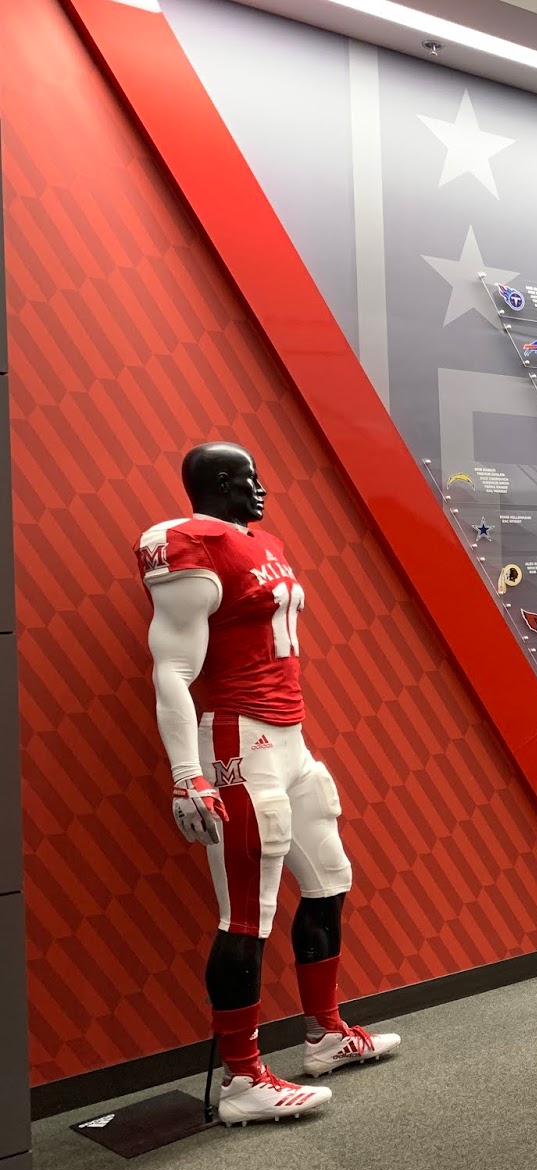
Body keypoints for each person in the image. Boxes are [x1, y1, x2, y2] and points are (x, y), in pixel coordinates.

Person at [138, 443, 400, 1126]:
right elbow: (172, 668)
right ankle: (243, 1079)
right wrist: (186, 774)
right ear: (221, 483)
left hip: (291, 738)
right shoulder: (190, 546)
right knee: (246, 914)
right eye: (248, 478)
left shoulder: (265, 544)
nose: (261, 488)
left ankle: (325, 1035)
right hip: (237, 738)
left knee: (330, 880)